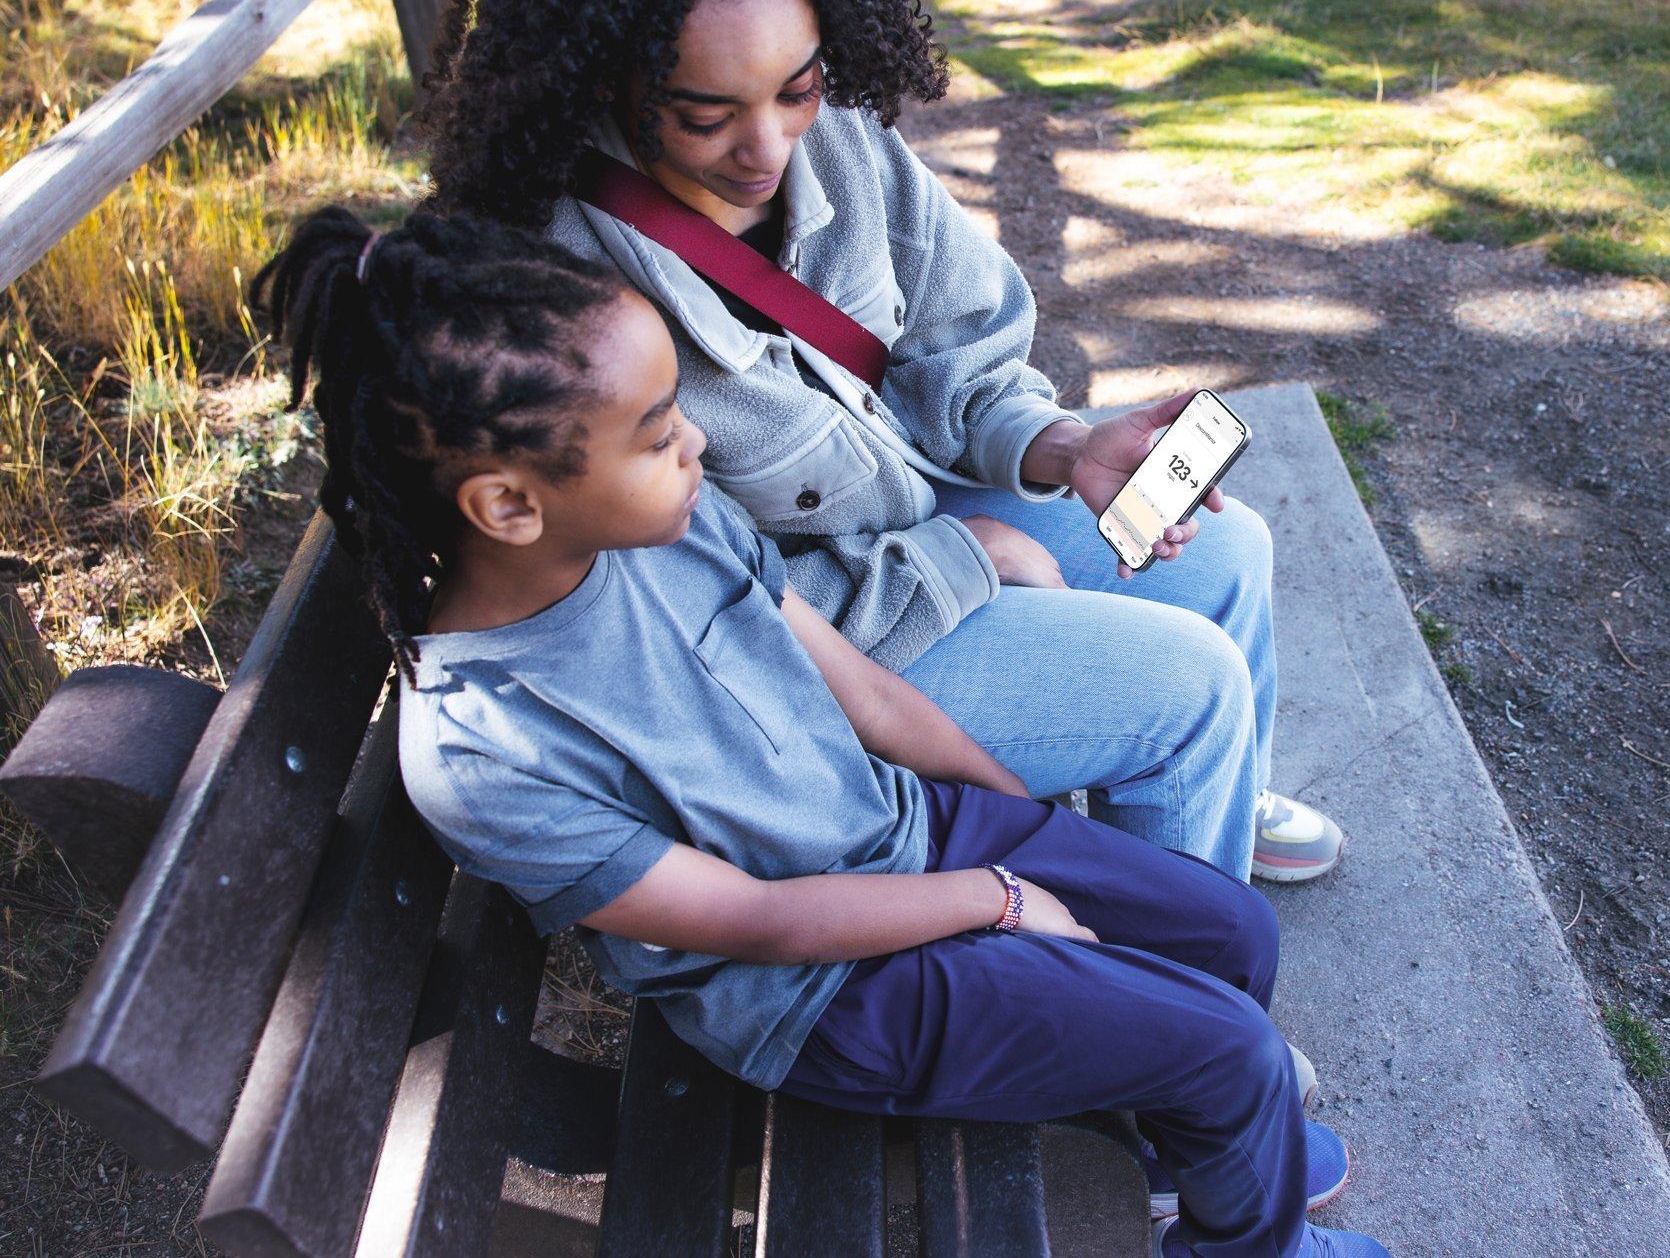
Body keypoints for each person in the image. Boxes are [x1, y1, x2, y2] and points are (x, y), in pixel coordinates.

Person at [251, 206, 1387, 1257]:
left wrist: (1027, 828)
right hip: (831, 995)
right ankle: (1246, 1241)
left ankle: (1165, 1141)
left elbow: (879, 704)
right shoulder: (486, 750)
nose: (695, 442)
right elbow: (759, 918)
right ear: (507, 504)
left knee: (1232, 933)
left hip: (908, 833)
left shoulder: (675, 529)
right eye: (654, 432)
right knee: (1227, 1051)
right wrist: (997, 898)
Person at [417, 0, 1344, 885]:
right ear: (604, 74)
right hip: (809, 659)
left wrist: (1065, 448)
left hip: (909, 527)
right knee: (1188, 688)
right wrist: (958, 556)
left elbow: (960, 346)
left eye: (797, 87)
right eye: (703, 114)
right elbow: (688, 607)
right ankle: (1182, 991)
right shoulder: (560, 302)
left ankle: (1202, 800)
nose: (768, 148)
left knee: (1228, 549)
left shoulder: (846, 146)